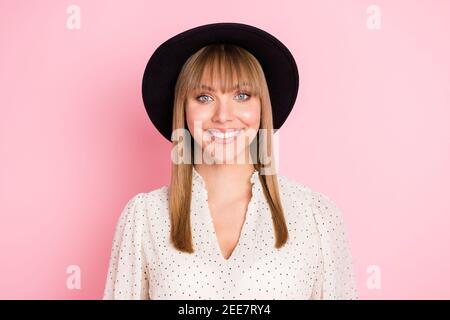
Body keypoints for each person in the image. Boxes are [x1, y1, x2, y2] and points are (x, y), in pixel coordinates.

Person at [103, 22, 358, 300]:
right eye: (204, 97)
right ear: (183, 110)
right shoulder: (144, 218)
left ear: (262, 107)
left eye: (242, 95)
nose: (223, 115)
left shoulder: (316, 216)